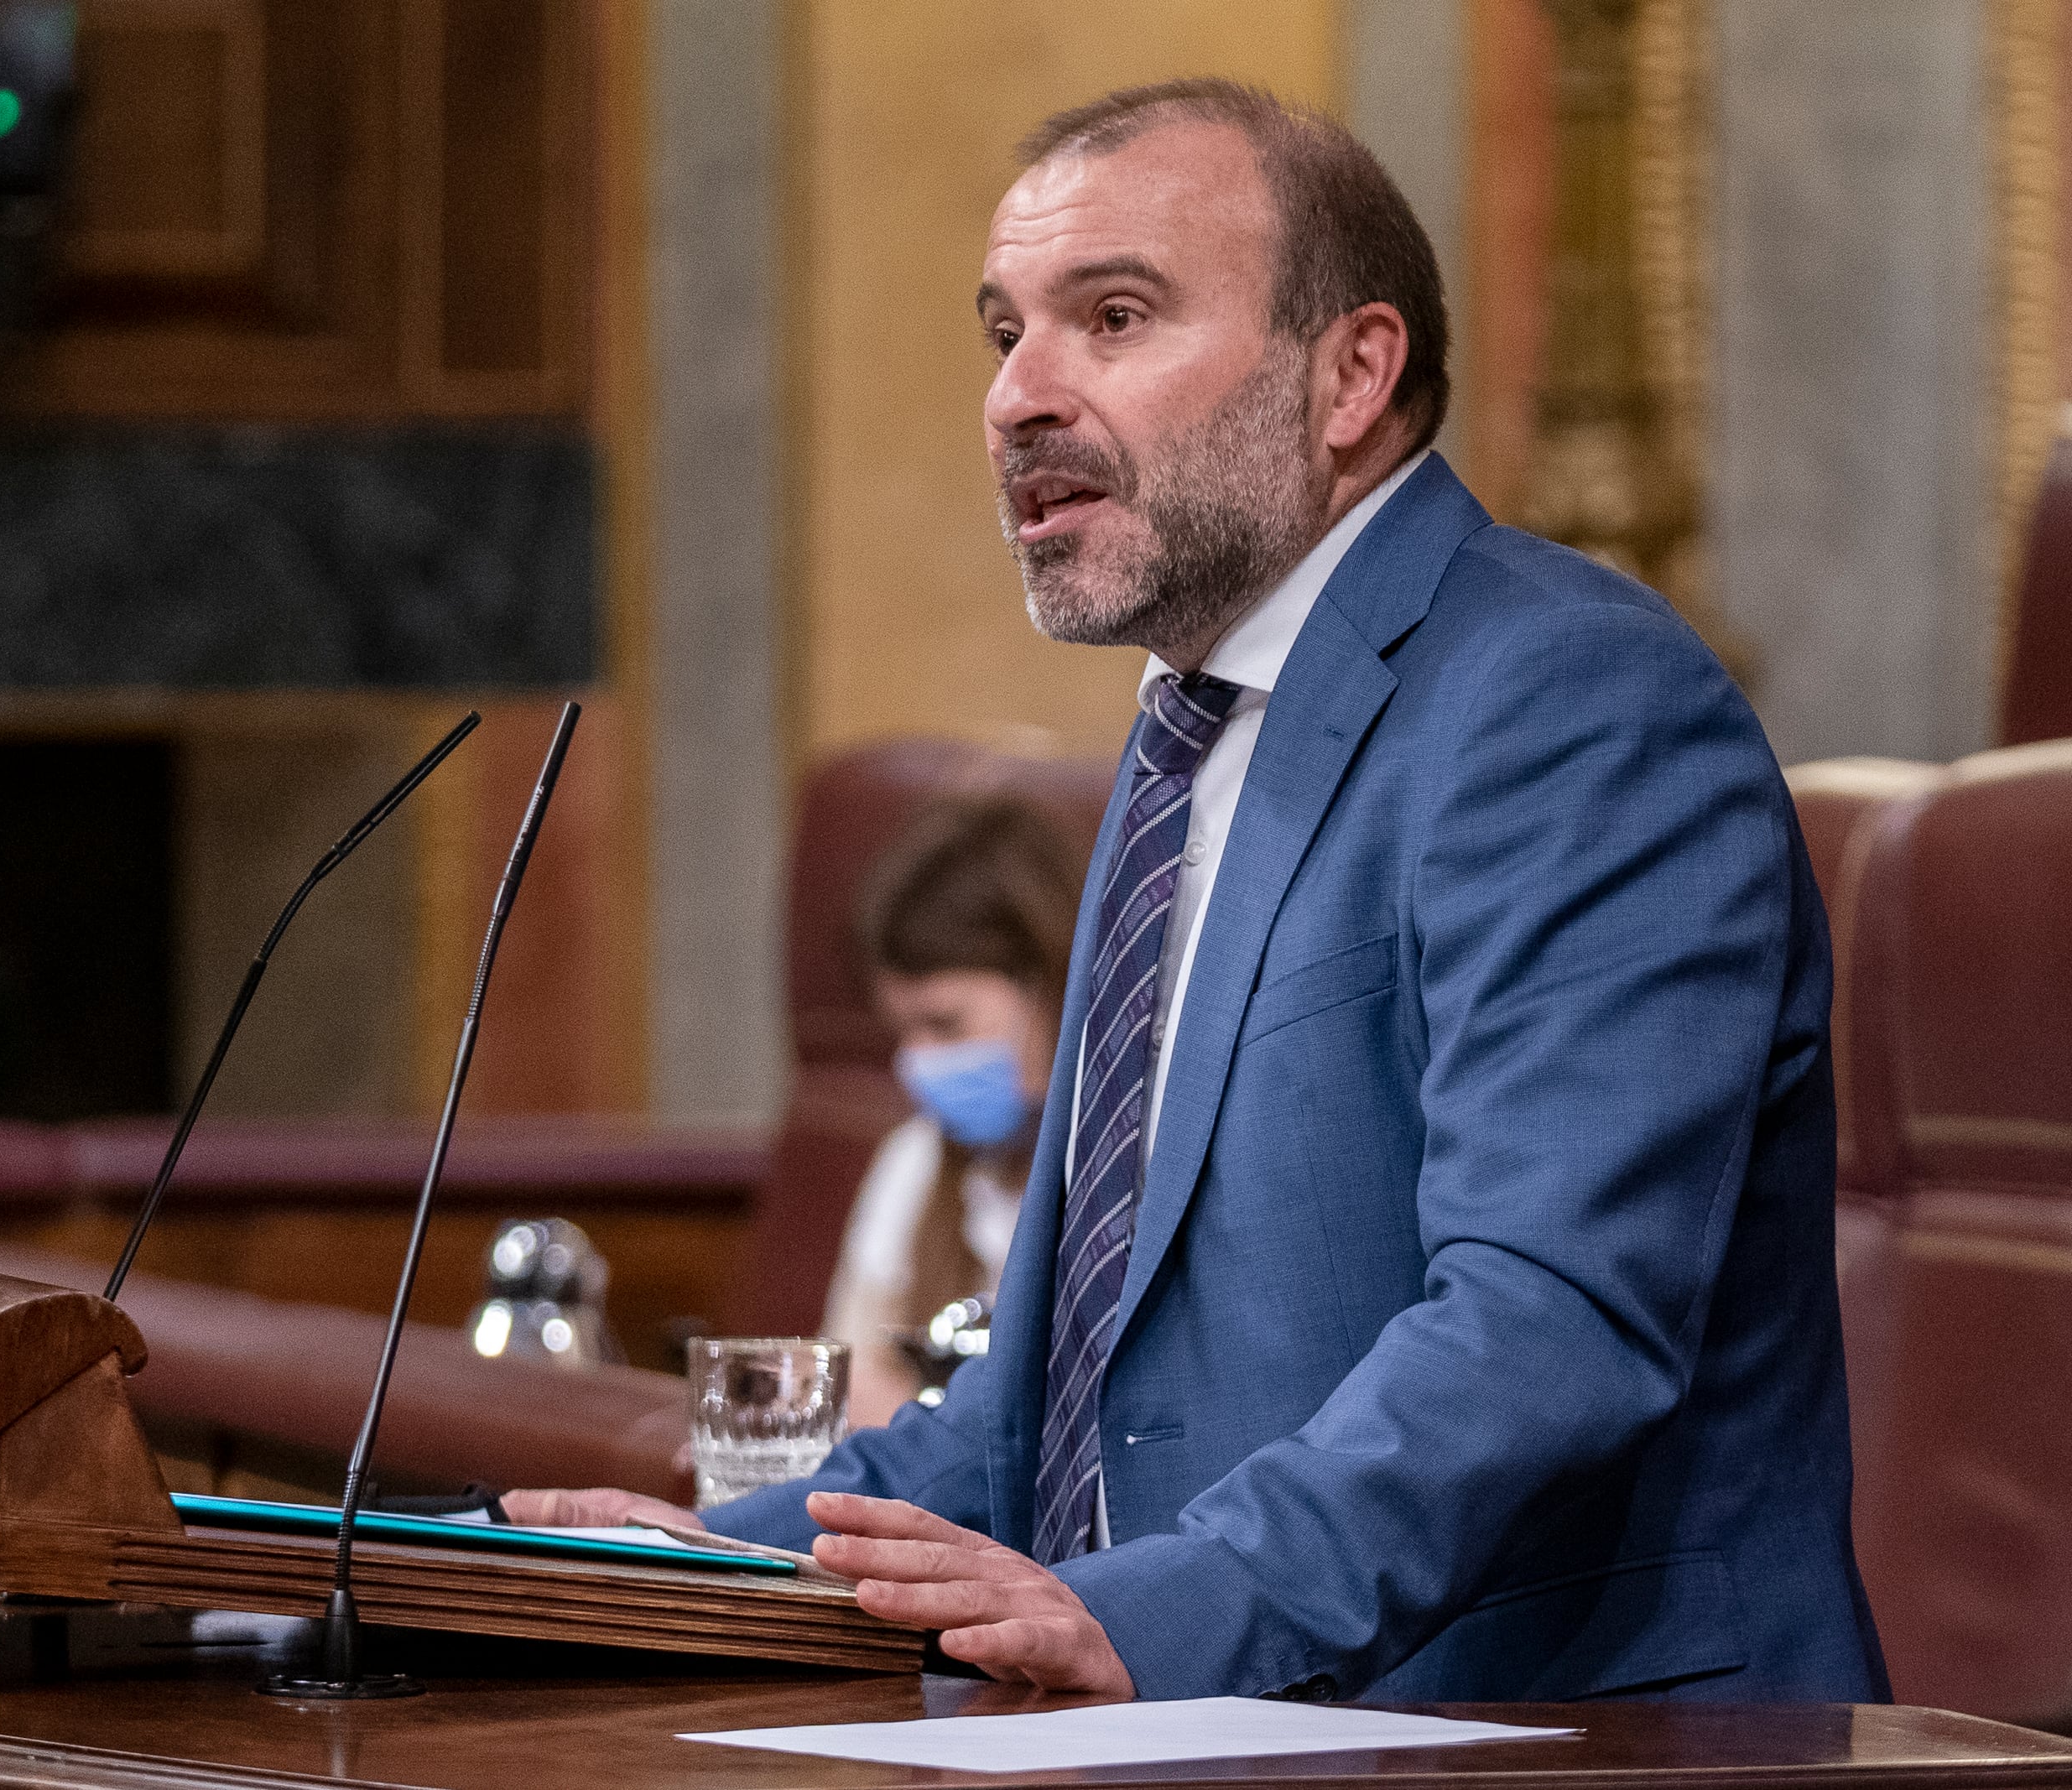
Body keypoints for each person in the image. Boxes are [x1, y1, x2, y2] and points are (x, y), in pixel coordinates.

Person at [510, 77, 1888, 1709]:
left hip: (1555, 1731)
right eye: (1001, 332)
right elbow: (1046, 1400)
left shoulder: (1567, 699)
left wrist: (1160, 1613)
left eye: (1112, 315)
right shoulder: (1186, 743)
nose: (1019, 395)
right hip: (1240, 1717)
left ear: (1349, 374)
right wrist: (704, 1565)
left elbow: (1548, 1320)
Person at [825, 796, 1084, 1426]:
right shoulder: (915, 1160)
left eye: (945, 1024)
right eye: (902, 1031)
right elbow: (844, 1387)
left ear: (1053, 984)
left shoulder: (1137, 1170)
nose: (915, 1063)